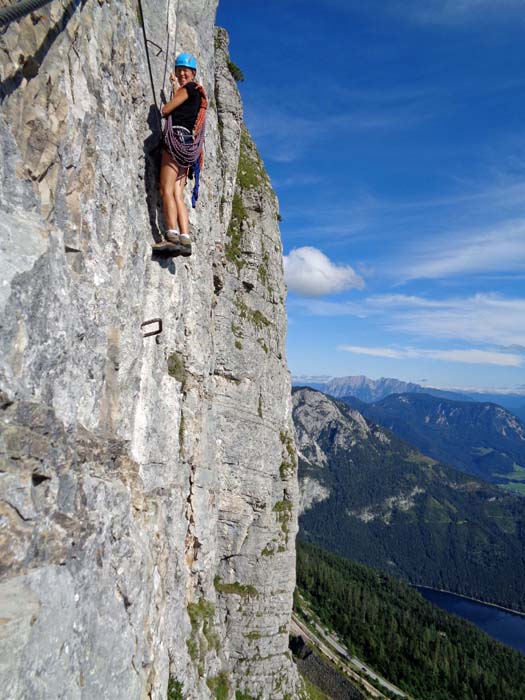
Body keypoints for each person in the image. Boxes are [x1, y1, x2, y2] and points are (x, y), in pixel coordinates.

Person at [154, 52, 205, 256]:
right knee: (177, 194)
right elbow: (181, 101)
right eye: (179, 70)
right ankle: (185, 238)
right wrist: (175, 85)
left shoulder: (189, 88)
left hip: (175, 140)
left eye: (185, 71)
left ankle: (171, 235)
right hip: (188, 146)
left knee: (165, 189)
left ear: (193, 74)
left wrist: (165, 105)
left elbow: (167, 110)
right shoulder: (196, 93)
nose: (182, 74)